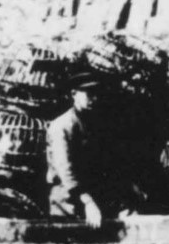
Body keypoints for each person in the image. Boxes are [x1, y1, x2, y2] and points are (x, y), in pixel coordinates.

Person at [47, 70, 141, 227]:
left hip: (94, 205)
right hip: (68, 204)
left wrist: (126, 199)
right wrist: (88, 203)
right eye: (89, 94)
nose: (94, 99)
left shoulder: (96, 124)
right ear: (74, 94)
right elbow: (66, 171)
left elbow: (108, 165)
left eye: (97, 94)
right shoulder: (61, 126)